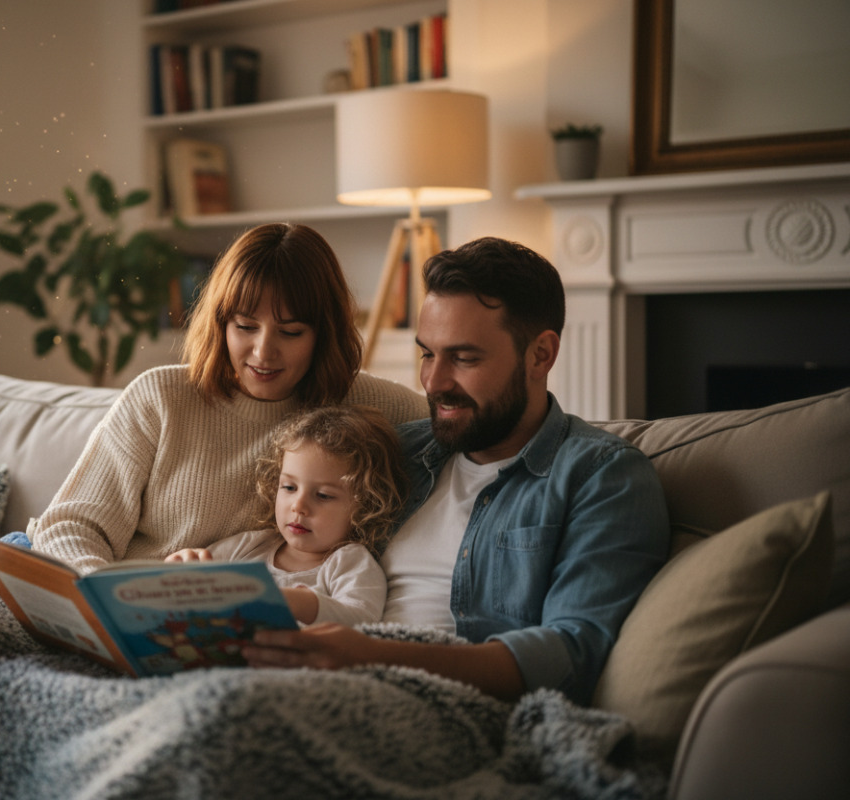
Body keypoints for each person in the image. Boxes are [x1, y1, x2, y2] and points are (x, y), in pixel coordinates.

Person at [242, 236, 670, 707]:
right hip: (323, 685)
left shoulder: (601, 477)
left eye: (464, 358)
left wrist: (371, 656)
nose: (433, 381)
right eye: (427, 354)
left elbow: (570, 653)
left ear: (540, 355)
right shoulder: (393, 454)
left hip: (452, 707)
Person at [28, 222, 428, 573]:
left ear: (323, 335)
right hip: (118, 593)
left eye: (290, 333)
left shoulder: (361, 403)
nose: (263, 352)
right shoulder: (160, 397)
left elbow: (456, 425)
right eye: (245, 326)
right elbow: (73, 525)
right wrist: (100, 590)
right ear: (221, 324)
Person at [166, 405, 408, 627]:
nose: (298, 506)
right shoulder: (250, 546)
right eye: (289, 488)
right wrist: (184, 568)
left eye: (323, 495)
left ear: (367, 505)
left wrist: (298, 602)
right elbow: (199, 583)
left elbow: (362, 621)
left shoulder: (349, 562)